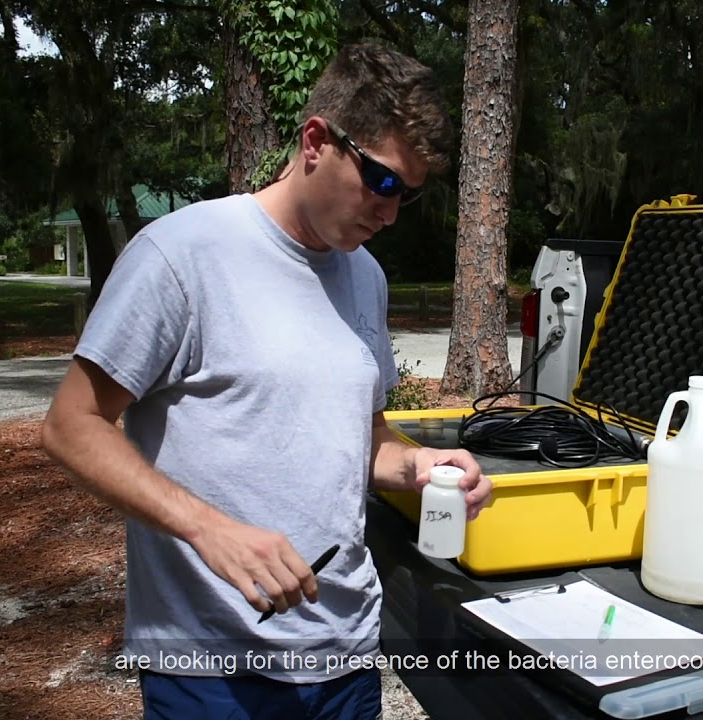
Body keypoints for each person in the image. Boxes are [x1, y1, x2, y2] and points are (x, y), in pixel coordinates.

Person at [41, 42, 493, 720]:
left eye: (410, 195)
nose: (391, 213)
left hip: (343, 655)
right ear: (317, 142)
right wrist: (208, 529)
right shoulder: (182, 254)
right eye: (382, 182)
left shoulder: (363, 275)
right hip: (211, 670)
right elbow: (70, 425)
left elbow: (361, 436)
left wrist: (418, 465)